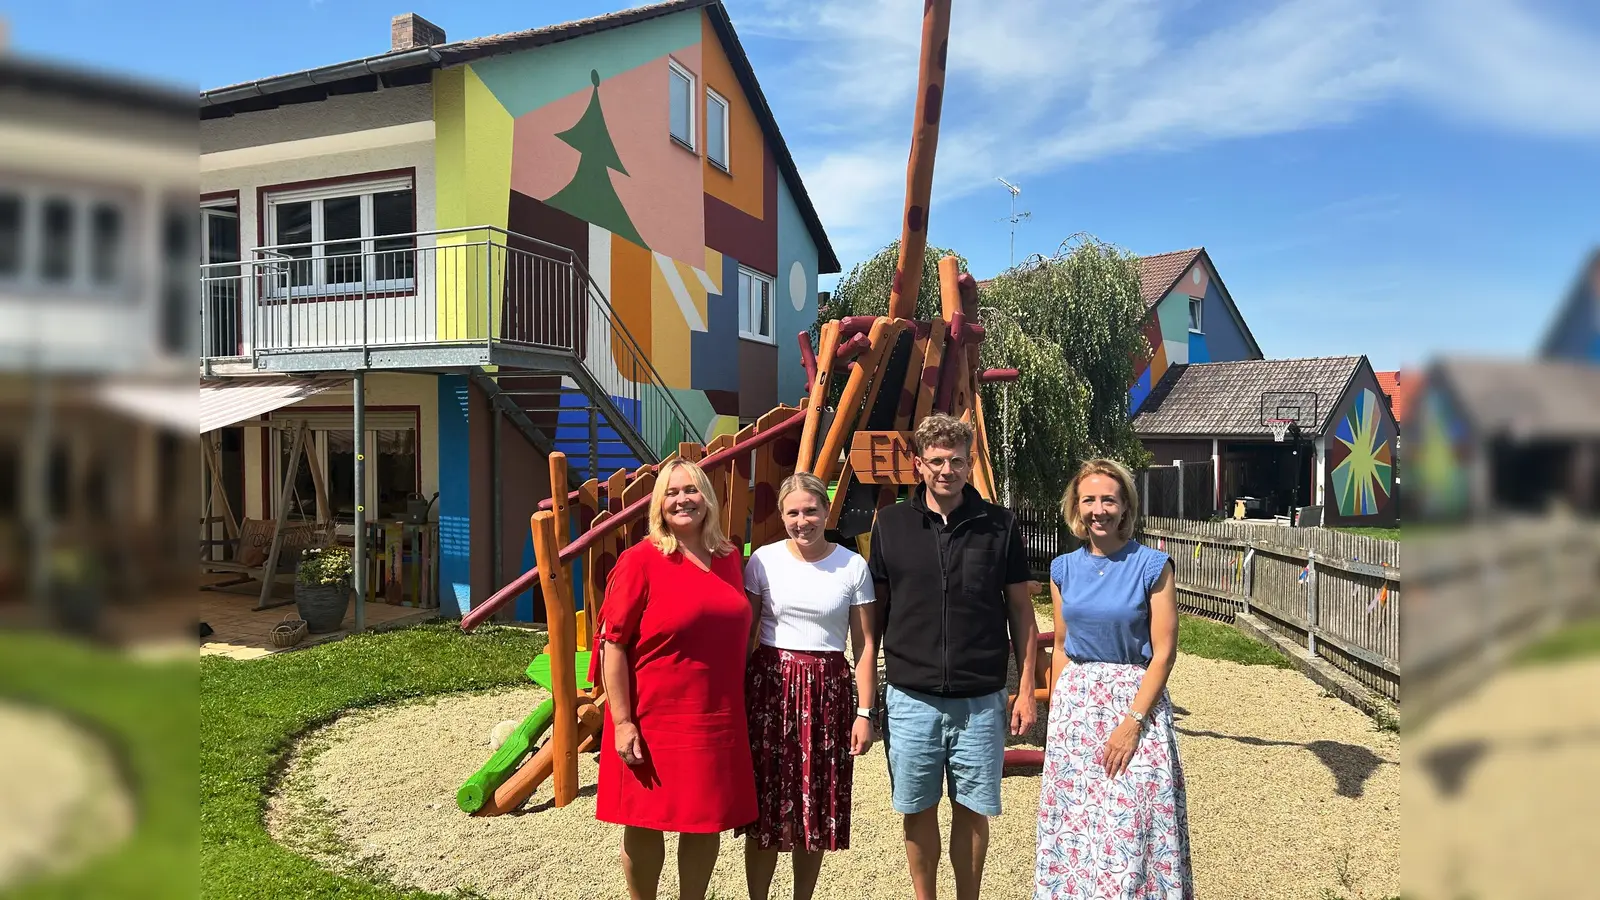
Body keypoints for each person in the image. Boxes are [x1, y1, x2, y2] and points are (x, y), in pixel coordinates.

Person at [868, 413, 1039, 900]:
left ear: (969, 464)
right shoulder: (891, 524)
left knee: (972, 810)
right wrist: (867, 698)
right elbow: (874, 615)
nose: (947, 469)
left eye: (957, 460)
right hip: (910, 696)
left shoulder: (999, 525)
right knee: (917, 810)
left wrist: (1025, 689)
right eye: (937, 461)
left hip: (980, 698)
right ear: (918, 464)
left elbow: (1021, 613)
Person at [594, 458, 757, 900]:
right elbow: (613, 644)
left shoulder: (728, 559)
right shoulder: (640, 560)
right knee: (646, 819)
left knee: (705, 820)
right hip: (654, 717)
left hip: (715, 716)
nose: (683, 499)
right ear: (658, 505)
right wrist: (623, 721)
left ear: (708, 498)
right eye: (671, 492)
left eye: (691, 490)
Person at [1034, 458, 1193, 900]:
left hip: (1133, 705)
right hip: (1076, 707)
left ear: (1125, 507)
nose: (1098, 509)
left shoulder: (1152, 565)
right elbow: (1063, 645)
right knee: (1075, 824)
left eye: (1109, 499)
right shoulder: (1063, 568)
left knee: (1136, 821)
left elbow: (1163, 653)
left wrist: (1133, 722)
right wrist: (1057, 719)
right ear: (1076, 507)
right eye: (1089, 500)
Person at [739, 472, 879, 900]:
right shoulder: (762, 560)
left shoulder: (852, 565)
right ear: (782, 515)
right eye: (793, 512)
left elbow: (866, 645)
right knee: (766, 808)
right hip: (769, 691)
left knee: (812, 805)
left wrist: (865, 712)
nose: (803, 520)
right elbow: (746, 634)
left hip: (827, 695)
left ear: (826, 510)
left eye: (811, 510)